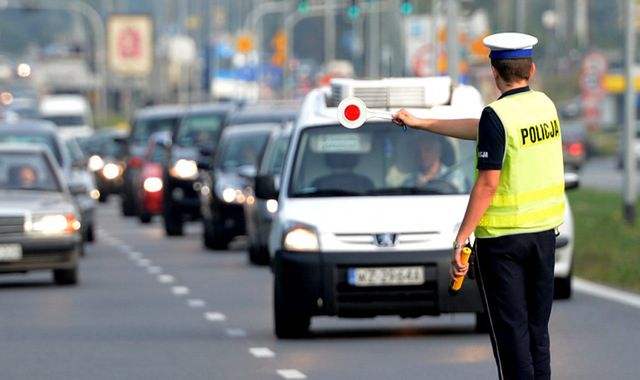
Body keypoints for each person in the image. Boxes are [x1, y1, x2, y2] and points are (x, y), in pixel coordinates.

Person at [392, 32, 564, 380]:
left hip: (504, 244)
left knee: (511, 337)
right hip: (544, 237)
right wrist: (424, 122)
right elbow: (485, 130)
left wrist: (461, 238)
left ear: (494, 73)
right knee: (536, 335)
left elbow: (487, 184)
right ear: (531, 69)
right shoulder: (544, 105)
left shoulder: (497, 116)